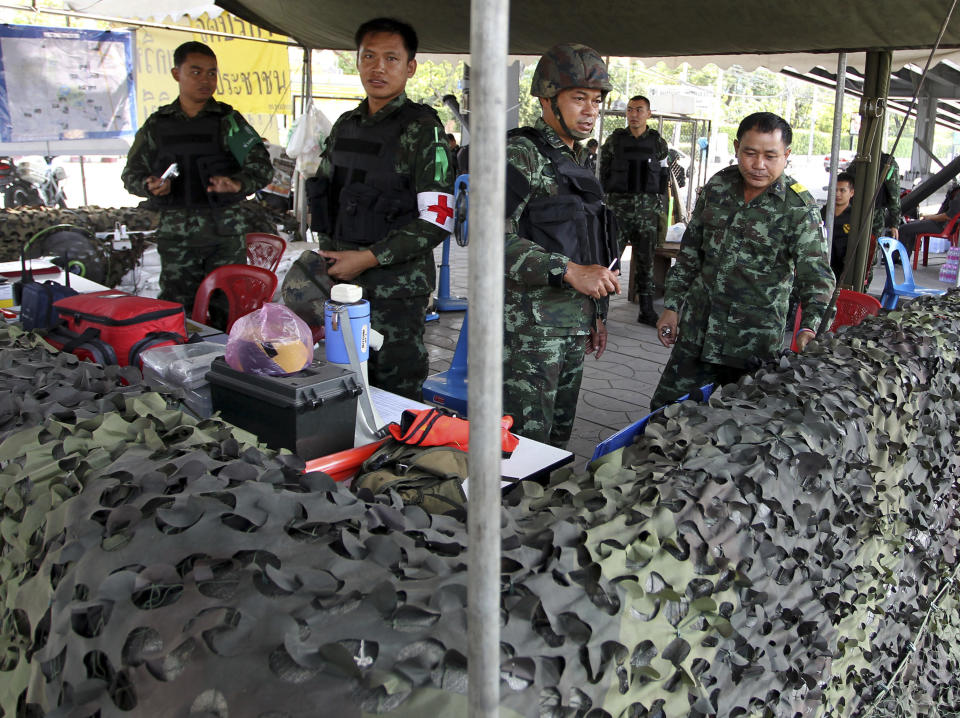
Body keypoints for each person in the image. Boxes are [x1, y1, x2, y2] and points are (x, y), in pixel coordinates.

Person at [305, 17, 454, 400]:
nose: (378, 67)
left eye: (391, 58)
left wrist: (368, 258)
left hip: (395, 293)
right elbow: (324, 193)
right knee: (342, 388)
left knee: (395, 394)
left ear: (410, 67)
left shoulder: (423, 130)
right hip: (341, 283)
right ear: (356, 62)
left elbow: (437, 219)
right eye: (369, 57)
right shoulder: (344, 125)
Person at [650, 112, 835, 410]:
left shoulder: (799, 209)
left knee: (744, 430)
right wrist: (671, 306)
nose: (759, 165)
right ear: (737, 148)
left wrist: (809, 328)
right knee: (664, 414)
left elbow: (817, 279)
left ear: (786, 155)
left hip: (754, 344)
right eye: (750, 153)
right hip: (699, 332)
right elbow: (690, 253)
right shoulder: (719, 186)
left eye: (770, 155)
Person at [502, 43, 620, 448]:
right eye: (579, 98)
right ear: (547, 99)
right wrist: (569, 271)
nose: (591, 110)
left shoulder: (578, 159)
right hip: (530, 335)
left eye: (597, 100)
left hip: (572, 325)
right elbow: (490, 241)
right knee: (522, 445)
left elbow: (584, 241)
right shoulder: (521, 154)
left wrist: (597, 314)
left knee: (555, 443)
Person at [122, 41, 272, 315]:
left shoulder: (229, 121)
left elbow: (262, 167)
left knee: (228, 307)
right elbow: (130, 174)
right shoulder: (158, 125)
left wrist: (237, 183)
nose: (206, 80)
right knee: (178, 310)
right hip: (177, 236)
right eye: (196, 72)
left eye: (212, 73)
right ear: (176, 74)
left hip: (224, 235)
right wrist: (149, 185)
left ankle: (226, 358)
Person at [600, 95, 669, 326]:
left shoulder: (658, 143)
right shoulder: (614, 140)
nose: (633, 114)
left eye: (639, 110)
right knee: (611, 261)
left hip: (647, 213)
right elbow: (603, 173)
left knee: (646, 261)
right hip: (618, 211)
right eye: (630, 110)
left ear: (649, 114)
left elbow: (663, 177)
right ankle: (601, 311)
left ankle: (646, 310)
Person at [897, 181, 960, 259]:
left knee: (903, 228)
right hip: (941, 224)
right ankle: (904, 257)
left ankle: (897, 258)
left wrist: (930, 217)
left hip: (942, 226)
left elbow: (948, 216)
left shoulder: (958, 195)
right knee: (910, 225)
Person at [824, 171, 855, 279]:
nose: (837, 194)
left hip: (844, 271)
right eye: (835, 190)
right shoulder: (822, 213)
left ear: (851, 193)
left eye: (842, 190)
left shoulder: (854, 217)